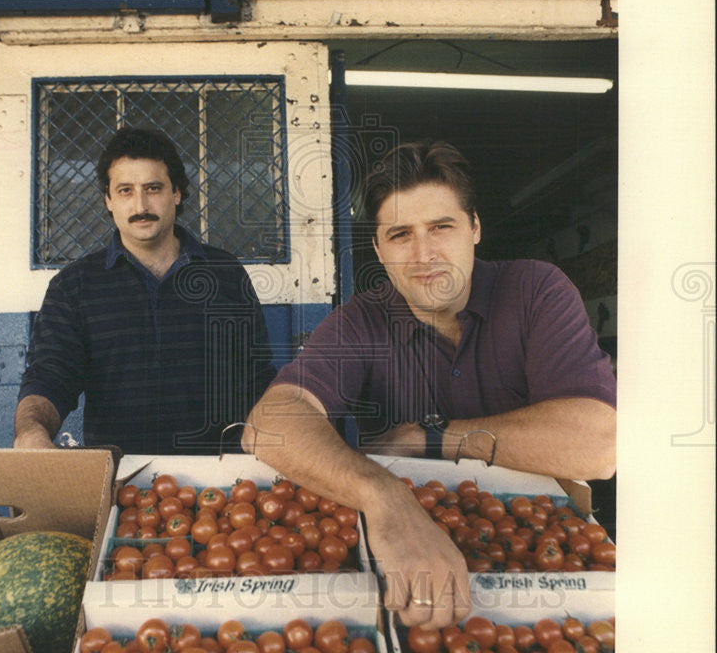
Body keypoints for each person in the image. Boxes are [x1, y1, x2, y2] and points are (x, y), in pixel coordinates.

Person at [243, 140, 616, 628]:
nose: (424, 254)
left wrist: (434, 436)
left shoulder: (536, 291)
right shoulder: (360, 322)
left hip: (543, 559)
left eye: (442, 227)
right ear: (378, 249)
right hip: (410, 557)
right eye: (400, 234)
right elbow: (269, 423)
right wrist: (386, 498)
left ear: (475, 228)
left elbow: (600, 445)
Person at [14, 127, 275, 455]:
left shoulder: (226, 274)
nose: (140, 204)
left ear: (177, 193)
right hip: (119, 483)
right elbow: (49, 378)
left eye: (153, 188)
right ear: (108, 200)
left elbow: (259, 378)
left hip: (222, 481)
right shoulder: (73, 286)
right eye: (125, 190)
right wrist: (31, 432)